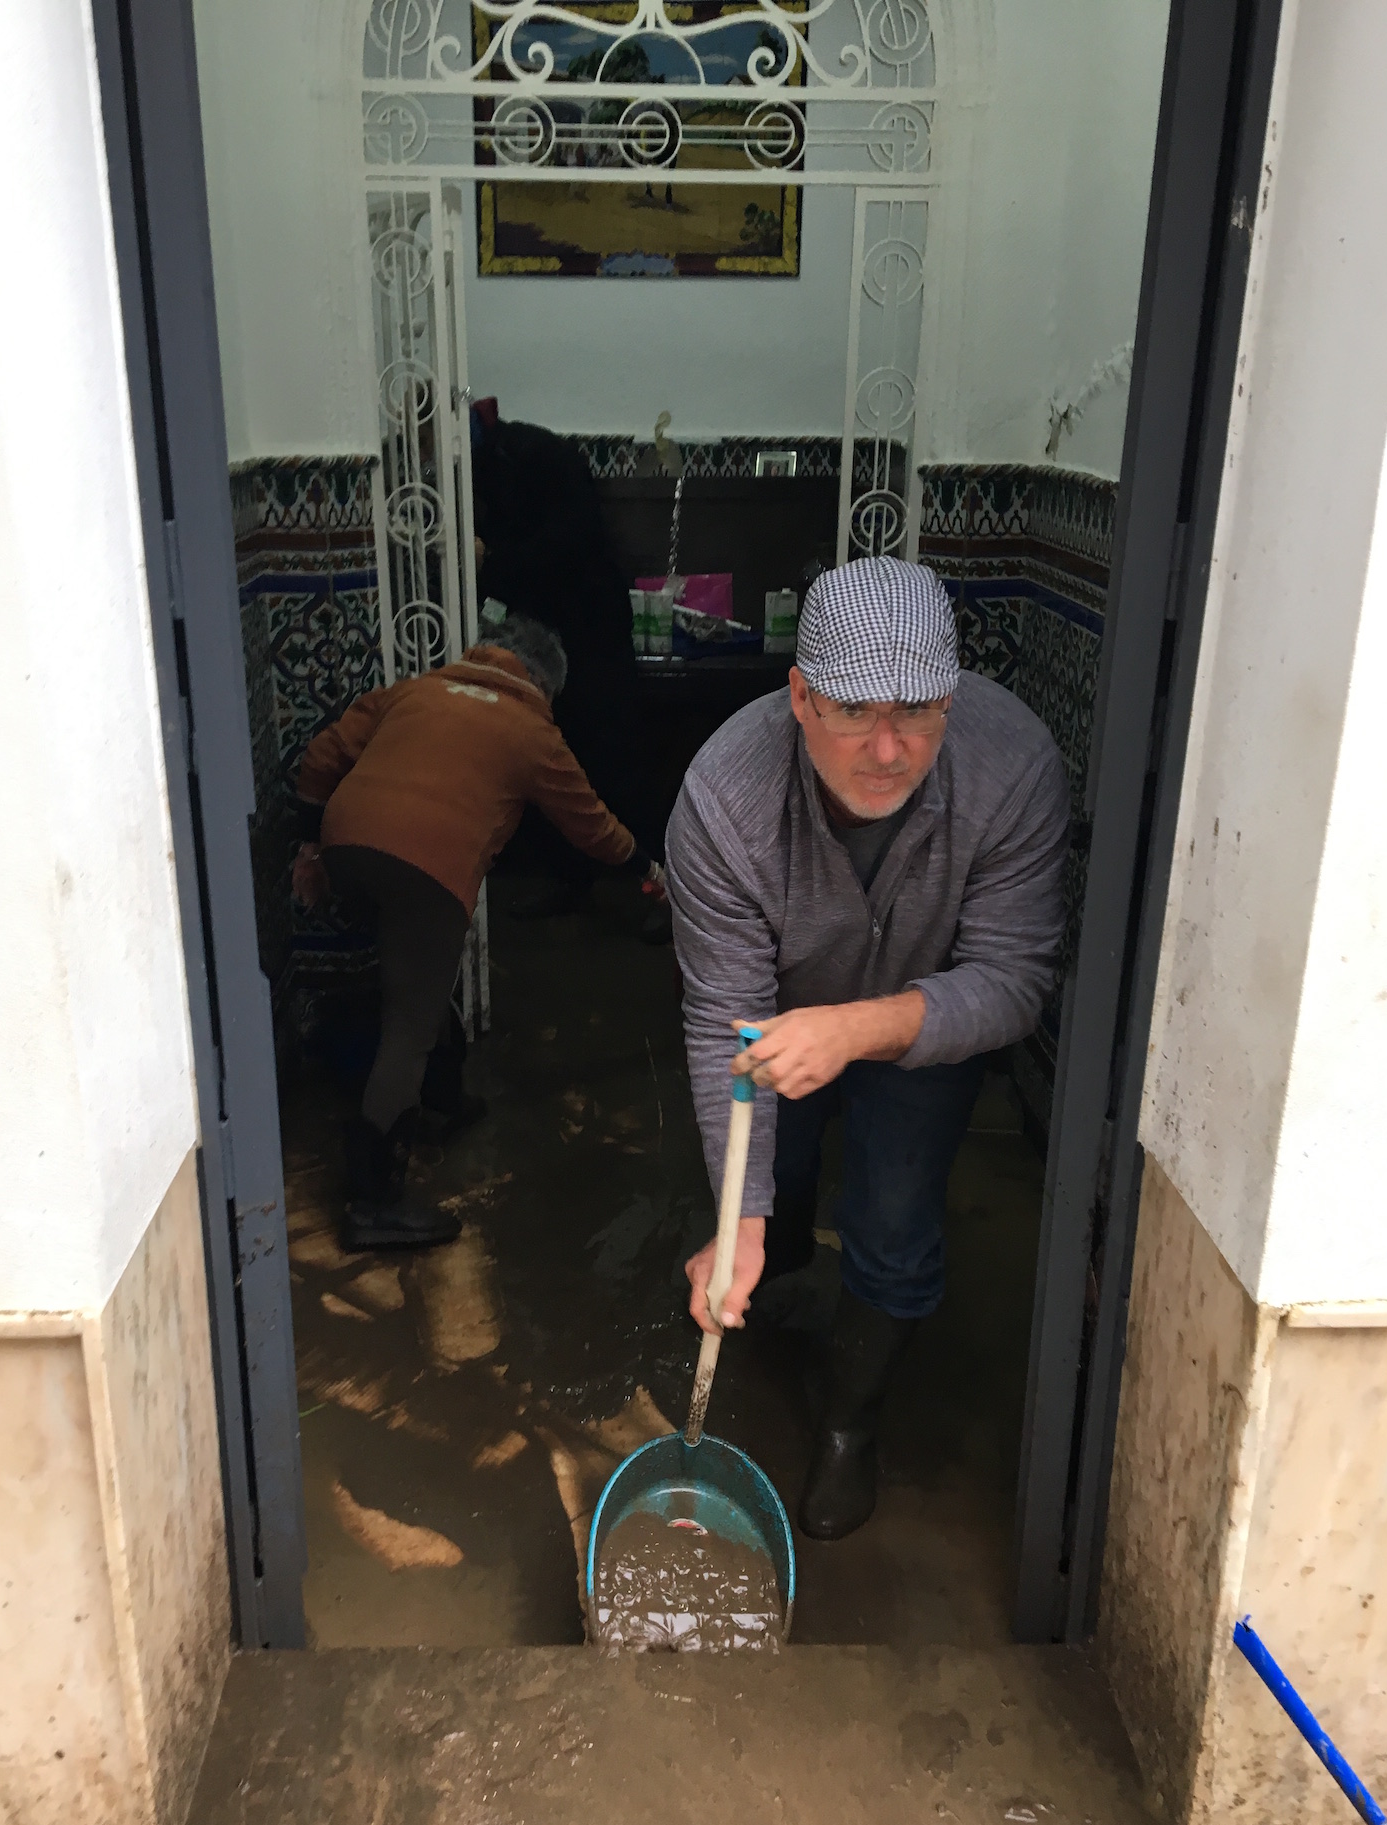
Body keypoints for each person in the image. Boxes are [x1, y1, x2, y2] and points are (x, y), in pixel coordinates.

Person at [665, 557, 1069, 1541]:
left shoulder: (1013, 765)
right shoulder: (725, 797)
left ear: (954, 695)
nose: (887, 749)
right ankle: (786, 1261)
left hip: (925, 1032)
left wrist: (856, 1032)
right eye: (853, 711)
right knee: (774, 1182)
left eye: (920, 711)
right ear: (800, 697)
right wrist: (742, 1223)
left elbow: (1014, 982)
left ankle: (851, 1426)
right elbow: (726, 1015)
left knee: (894, 1217)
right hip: (780, 1024)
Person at [294, 611, 654, 1252]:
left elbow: (322, 756)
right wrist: (642, 863)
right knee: (407, 1022)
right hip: (428, 868)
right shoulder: (532, 730)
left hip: (345, 842)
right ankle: (373, 1204)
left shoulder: (416, 689)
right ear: (543, 683)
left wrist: (309, 847)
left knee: (417, 982)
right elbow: (591, 826)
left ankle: (441, 1099)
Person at [470, 404, 666, 935]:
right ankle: (570, 881)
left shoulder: (536, 456)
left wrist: (494, 558)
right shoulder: (485, 458)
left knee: (616, 757)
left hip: (591, 628)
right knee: (552, 753)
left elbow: (569, 543)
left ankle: (666, 894)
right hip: (544, 631)